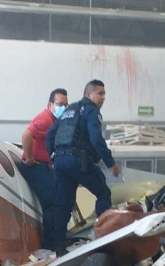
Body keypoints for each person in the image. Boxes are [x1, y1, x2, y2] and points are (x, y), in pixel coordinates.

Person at [46, 79, 120, 256]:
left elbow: (50, 135)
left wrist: (52, 158)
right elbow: (96, 139)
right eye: (99, 93)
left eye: (104, 94)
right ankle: (102, 240)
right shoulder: (91, 110)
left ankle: (58, 247)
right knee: (103, 193)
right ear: (89, 94)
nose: (103, 98)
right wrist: (111, 163)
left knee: (64, 204)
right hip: (78, 161)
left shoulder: (69, 110)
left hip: (61, 162)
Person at [19, 88, 68, 253]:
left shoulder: (55, 120)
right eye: (60, 104)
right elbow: (26, 135)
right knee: (52, 203)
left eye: (65, 105)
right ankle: (50, 245)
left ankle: (57, 242)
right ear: (50, 104)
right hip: (36, 166)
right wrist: (30, 159)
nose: (63, 107)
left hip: (45, 165)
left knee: (59, 200)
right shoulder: (45, 119)